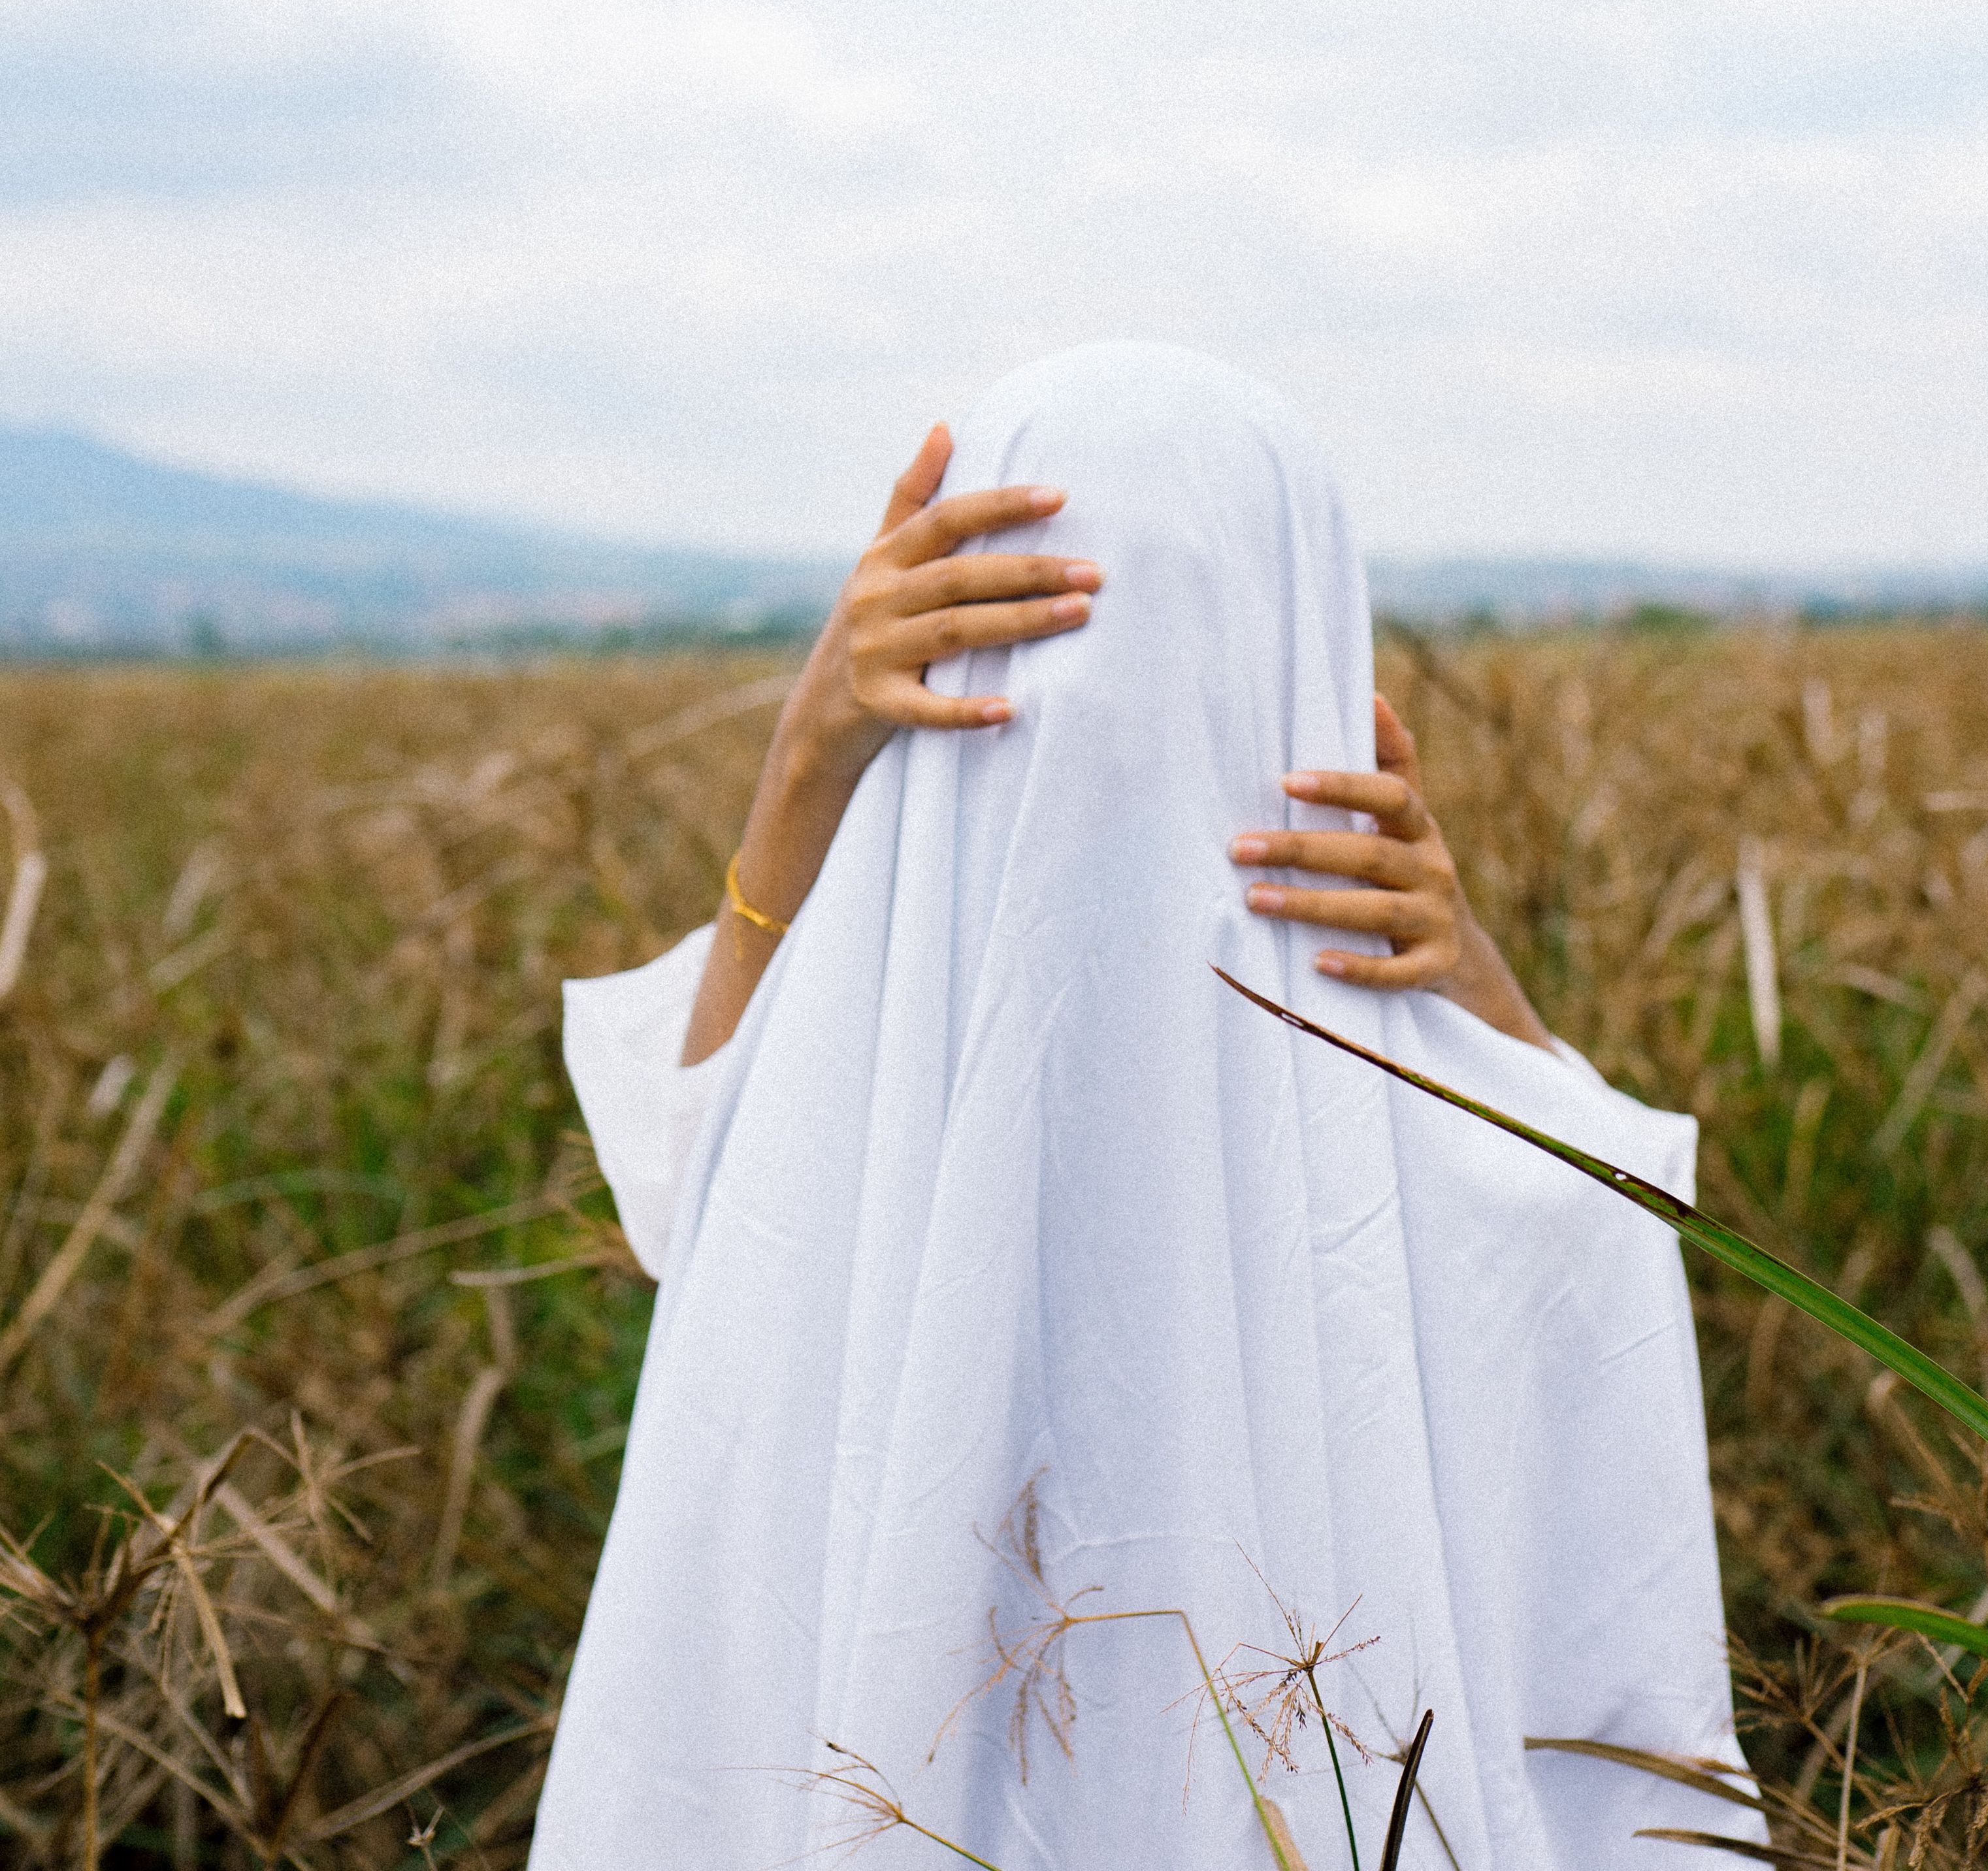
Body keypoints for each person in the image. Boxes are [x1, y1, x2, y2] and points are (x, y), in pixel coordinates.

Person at [533, 344, 1763, 1870]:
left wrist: (1461, 978)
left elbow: (702, 1183)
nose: (1103, 706)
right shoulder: (921, 985)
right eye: (1041, 635)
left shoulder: (973, 984)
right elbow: (1588, 1247)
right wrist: (810, 762)